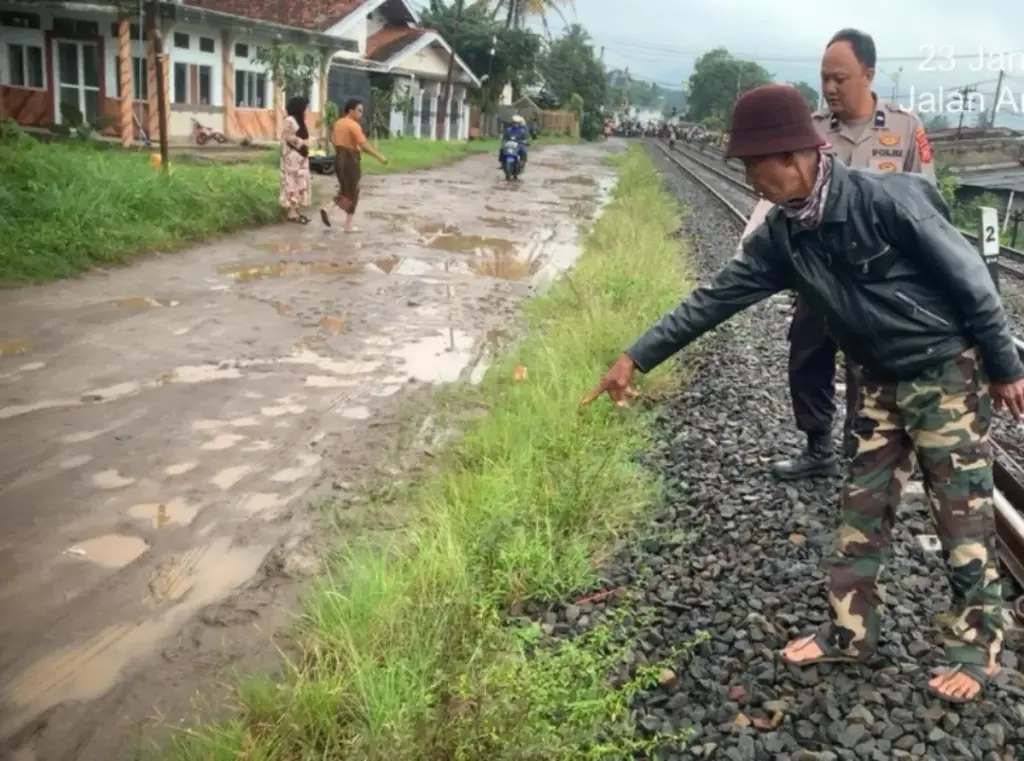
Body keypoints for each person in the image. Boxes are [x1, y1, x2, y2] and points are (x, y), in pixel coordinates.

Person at [583, 83, 1024, 704]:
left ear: (794, 158)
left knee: (962, 516)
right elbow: (713, 299)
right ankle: (850, 634)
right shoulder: (783, 236)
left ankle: (976, 652)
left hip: (945, 373)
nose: (749, 179)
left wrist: (1004, 367)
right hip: (877, 378)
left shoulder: (889, 200)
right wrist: (636, 356)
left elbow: (974, 282)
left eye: (753, 166)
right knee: (860, 510)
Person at [742, 29, 936, 481]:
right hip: (819, 271)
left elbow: (923, 207)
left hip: (878, 283)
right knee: (808, 357)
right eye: (824, 78)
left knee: (867, 369)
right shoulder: (809, 129)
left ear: (868, 74)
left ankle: (860, 455)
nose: (830, 87)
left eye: (840, 78)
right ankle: (817, 448)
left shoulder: (906, 128)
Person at [319, 98, 387, 233]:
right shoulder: (353, 125)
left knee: (346, 190)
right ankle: (341, 219)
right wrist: (379, 156)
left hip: (338, 159)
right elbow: (364, 144)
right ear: (351, 110)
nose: (361, 113)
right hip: (350, 161)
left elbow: (334, 141)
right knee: (353, 191)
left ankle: (342, 220)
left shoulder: (338, 123)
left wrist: (351, 147)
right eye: (359, 110)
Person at [279, 96, 312, 224]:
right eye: (306, 107)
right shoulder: (289, 120)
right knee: (291, 184)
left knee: (300, 184)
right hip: (291, 159)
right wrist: (303, 144)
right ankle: (291, 213)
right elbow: (288, 137)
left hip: (301, 160)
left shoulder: (299, 121)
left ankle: (296, 210)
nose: (307, 110)